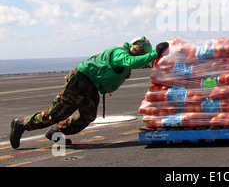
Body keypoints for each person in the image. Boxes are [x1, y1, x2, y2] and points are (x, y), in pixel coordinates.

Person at [10, 37, 169, 149]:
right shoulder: (120, 53)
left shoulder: (128, 56)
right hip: (81, 80)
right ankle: (21, 124)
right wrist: (155, 53)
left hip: (92, 85)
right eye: (140, 53)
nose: (140, 57)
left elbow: (139, 62)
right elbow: (131, 62)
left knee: (88, 116)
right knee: (58, 113)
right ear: (136, 48)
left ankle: (56, 132)